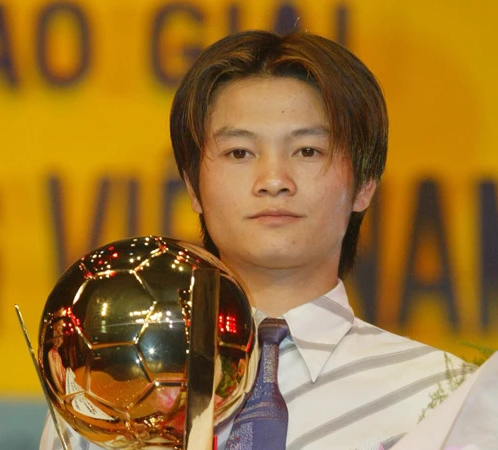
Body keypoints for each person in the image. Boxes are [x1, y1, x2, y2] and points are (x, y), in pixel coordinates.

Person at [41, 30, 467, 450]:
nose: (274, 180)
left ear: (365, 183)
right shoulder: (107, 401)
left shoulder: (443, 397)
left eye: (308, 151)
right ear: (192, 186)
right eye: (239, 153)